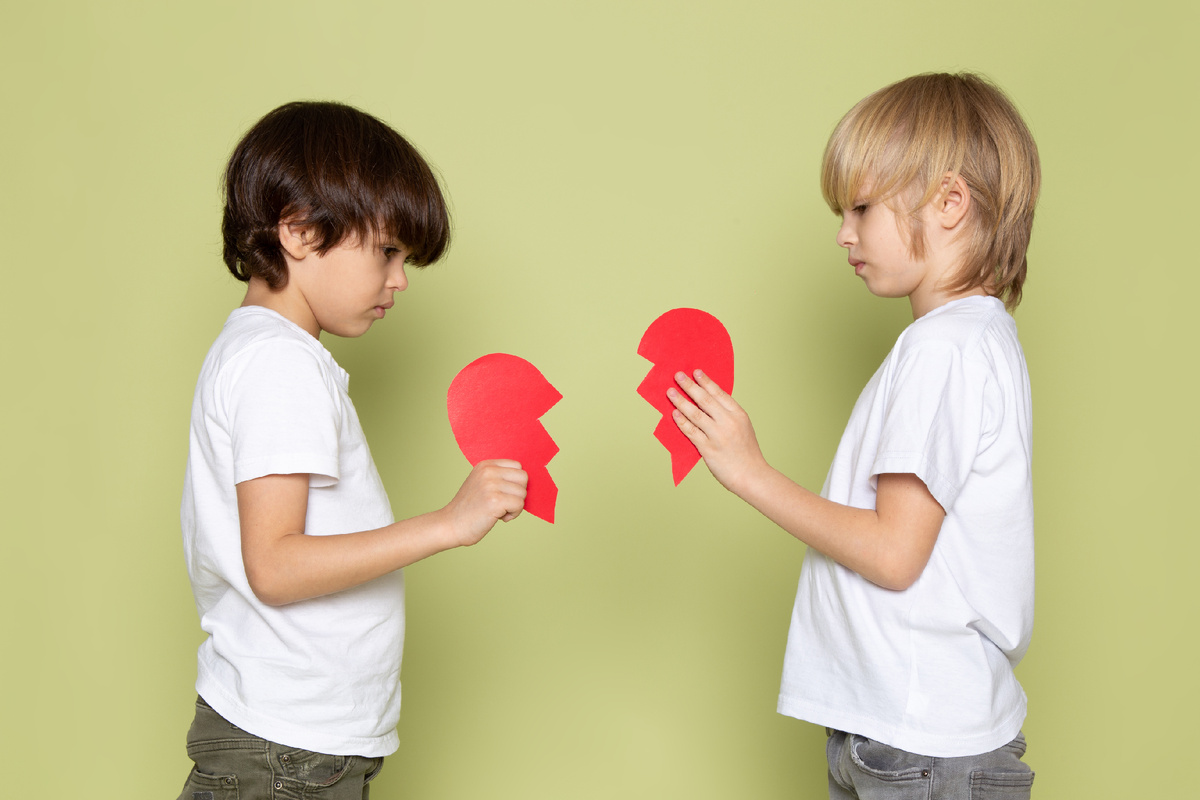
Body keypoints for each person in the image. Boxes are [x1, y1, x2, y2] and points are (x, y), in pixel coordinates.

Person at [667, 73, 1039, 799]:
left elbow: (895, 554)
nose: (844, 232)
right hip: (909, 734)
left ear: (950, 203)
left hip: (919, 741)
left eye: (861, 208)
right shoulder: (970, 343)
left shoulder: (944, 352)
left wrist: (751, 473)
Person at [177, 101, 529, 799]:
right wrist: (447, 525)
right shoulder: (282, 366)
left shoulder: (265, 355)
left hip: (294, 744)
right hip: (287, 752)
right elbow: (274, 564)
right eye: (388, 252)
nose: (399, 279)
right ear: (301, 231)